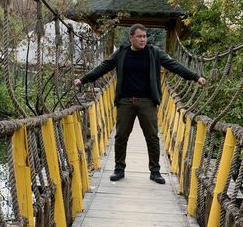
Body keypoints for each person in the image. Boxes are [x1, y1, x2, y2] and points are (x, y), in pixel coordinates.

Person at [74, 24, 206, 184]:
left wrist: (195, 77)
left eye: (145, 36)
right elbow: (104, 67)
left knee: (152, 137)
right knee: (121, 136)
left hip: (147, 101)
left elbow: (175, 66)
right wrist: (83, 80)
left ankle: (155, 171)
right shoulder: (121, 53)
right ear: (131, 37)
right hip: (125, 101)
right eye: (139, 36)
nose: (143, 39)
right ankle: (119, 169)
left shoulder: (154, 52)